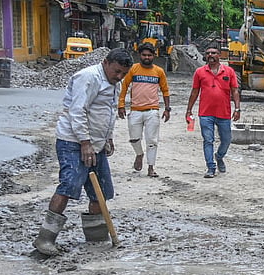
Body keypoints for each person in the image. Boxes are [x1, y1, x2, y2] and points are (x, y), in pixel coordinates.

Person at [32, 48, 133, 256]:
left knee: (101, 192)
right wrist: (85, 143)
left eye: (123, 73)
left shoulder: (116, 83)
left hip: (96, 142)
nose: (119, 77)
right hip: (73, 142)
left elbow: (109, 110)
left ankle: (95, 238)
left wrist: (108, 138)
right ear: (105, 63)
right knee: (69, 186)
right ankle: (45, 238)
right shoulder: (88, 78)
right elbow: (77, 111)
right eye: (116, 72)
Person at [185, 45, 241, 178]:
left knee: (226, 140)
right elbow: (194, 92)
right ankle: (211, 167)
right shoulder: (199, 72)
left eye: (214, 53)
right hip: (205, 113)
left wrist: (237, 108)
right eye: (208, 53)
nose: (211, 55)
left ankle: (219, 156)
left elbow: (234, 91)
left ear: (219, 55)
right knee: (208, 140)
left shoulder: (229, 72)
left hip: (224, 113)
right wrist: (189, 110)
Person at [118, 43, 171, 178]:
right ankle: (139, 154)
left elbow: (165, 90)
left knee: (152, 141)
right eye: (144, 55)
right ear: (139, 55)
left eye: (149, 55)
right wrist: (121, 105)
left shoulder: (159, 71)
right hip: (135, 110)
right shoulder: (133, 69)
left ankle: (151, 167)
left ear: (154, 56)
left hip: (152, 110)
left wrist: (167, 109)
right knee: (134, 138)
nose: (146, 57)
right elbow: (124, 87)